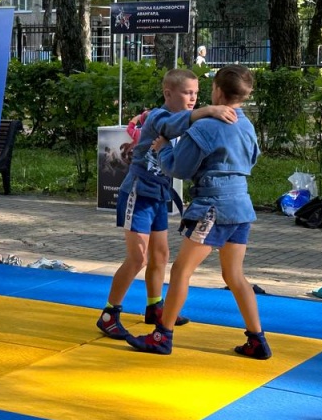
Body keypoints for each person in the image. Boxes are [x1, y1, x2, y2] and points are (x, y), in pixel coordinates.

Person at [126, 64, 270, 359]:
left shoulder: (204, 126)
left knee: (181, 270)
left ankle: (161, 336)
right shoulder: (246, 124)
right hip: (241, 206)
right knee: (234, 275)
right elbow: (252, 159)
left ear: (217, 90)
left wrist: (162, 148)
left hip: (214, 207)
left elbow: (180, 167)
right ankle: (257, 339)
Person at [97, 69, 236, 340]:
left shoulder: (189, 122)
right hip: (138, 193)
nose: (193, 98)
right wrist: (209, 110)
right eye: (187, 93)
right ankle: (109, 314)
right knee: (138, 258)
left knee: (161, 256)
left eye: (196, 93)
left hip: (159, 195)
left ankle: (154, 306)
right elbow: (174, 126)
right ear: (168, 93)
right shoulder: (159, 118)